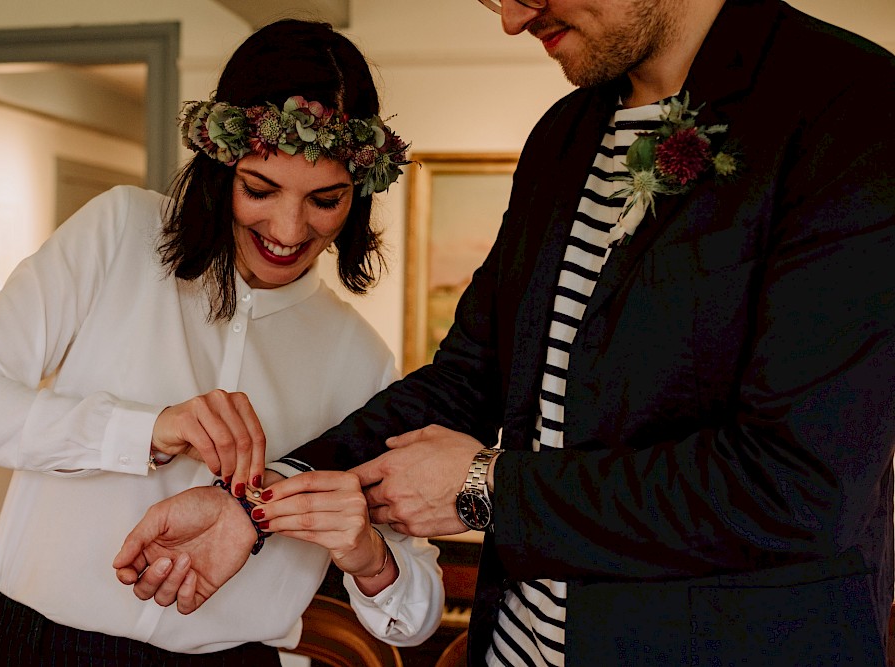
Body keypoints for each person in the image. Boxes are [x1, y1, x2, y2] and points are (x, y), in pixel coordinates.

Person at [117, 0, 895, 665]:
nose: (516, 19)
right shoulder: (564, 134)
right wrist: (259, 498)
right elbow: (468, 374)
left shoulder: (851, 106)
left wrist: (493, 488)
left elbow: (796, 486)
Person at [0, 18, 444, 665]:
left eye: (325, 199)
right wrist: (145, 430)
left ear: (357, 195)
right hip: (37, 645)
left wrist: (369, 555)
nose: (288, 228)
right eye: (260, 188)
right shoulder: (119, 234)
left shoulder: (362, 357)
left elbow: (415, 616)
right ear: (221, 167)